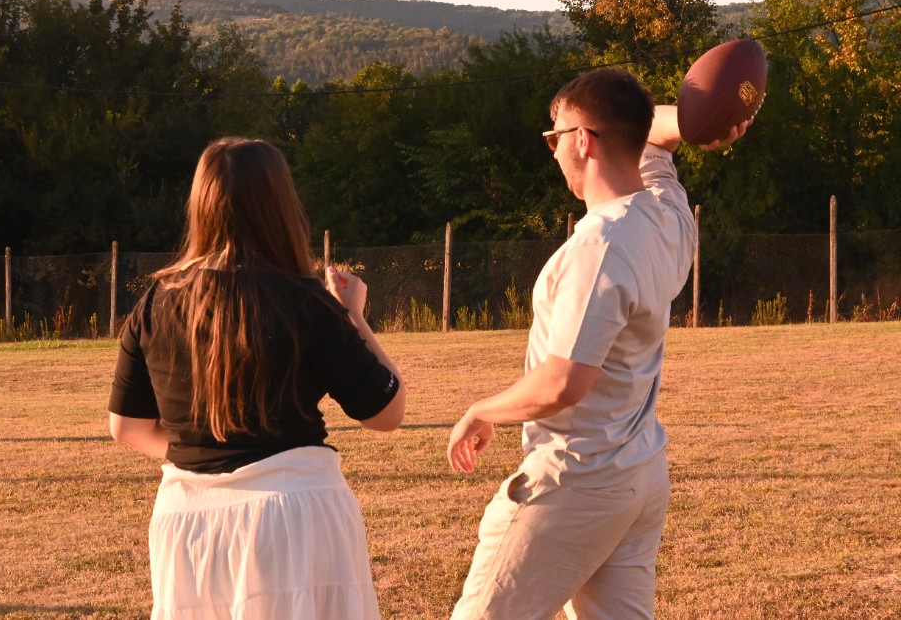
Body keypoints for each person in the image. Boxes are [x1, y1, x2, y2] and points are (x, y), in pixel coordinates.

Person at [446, 68, 748, 620]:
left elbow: (564, 383)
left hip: (575, 480)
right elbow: (651, 135)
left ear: (582, 140)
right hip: (638, 474)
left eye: (554, 136)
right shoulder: (668, 216)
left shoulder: (600, 247)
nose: (553, 151)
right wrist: (702, 119)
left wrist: (480, 409)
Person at [108, 137, 405, 620]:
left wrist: (210, 456)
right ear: (280, 205)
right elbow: (387, 411)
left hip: (188, 527)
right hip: (295, 520)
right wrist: (354, 316)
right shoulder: (308, 302)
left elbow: (128, 427)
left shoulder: (155, 302)